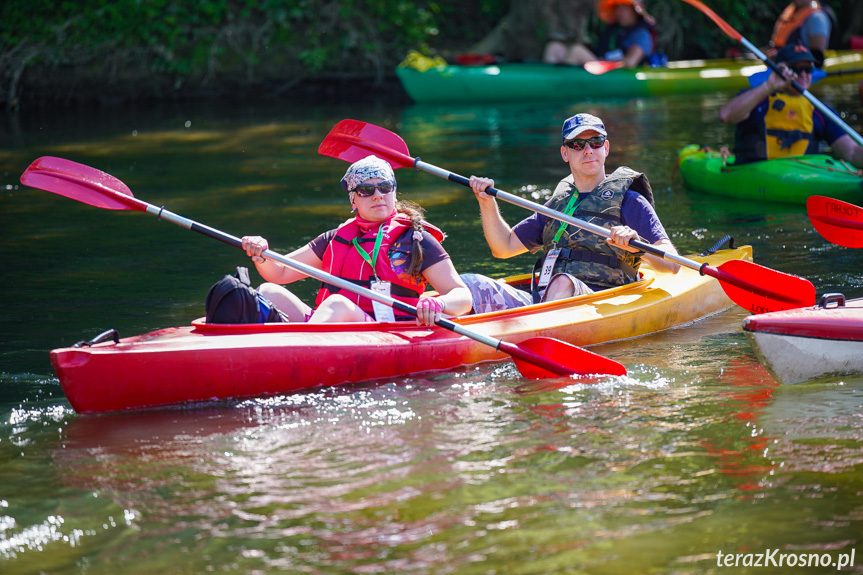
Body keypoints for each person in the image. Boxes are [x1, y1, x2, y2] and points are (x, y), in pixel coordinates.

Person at [461, 113, 680, 313]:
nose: (588, 150)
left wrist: (636, 244)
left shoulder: (630, 201)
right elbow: (503, 247)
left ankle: (537, 333)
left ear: (606, 148)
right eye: (577, 144)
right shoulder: (557, 205)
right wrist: (486, 202)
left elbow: (672, 265)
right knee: (469, 284)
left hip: (601, 301)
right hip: (548, 300)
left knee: (562, 281)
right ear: (565, 153)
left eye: (595, 143)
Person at [241, 155, 473, 326]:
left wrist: (439, 304)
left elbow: (462, 296)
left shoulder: (415, 239)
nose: (378, 195)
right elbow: (279, 273)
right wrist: (261, 254)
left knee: (337, 303)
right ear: (353, 200)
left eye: (385, 187)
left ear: (393, 192)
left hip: (389, 329)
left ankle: (295, 351)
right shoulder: (335, 238)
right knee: (268, 292)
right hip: (332, 325)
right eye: (366, 190)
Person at [718, 44, 863, 169]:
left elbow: (851, 151)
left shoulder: (819, 111)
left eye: (809, 69)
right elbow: (726, 115)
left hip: (803, 176)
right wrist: (769, 86)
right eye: (798, 69)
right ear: (781, 70)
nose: (804, 75)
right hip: (754, 172)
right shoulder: (758, 98)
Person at [545, 0, 658, 69]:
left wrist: (605, 63)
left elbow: (630, 62)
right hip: (600, 65)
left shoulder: (642, 34)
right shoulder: (614, 31)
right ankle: (547, 81)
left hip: (615, 73)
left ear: (635, 11)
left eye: (625, 8)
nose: (620, 12)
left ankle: (562, 85)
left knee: (577, 51)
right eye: (618, 8)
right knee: (554, 47)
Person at [768, 0, 834, 67]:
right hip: (781, 66)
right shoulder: (790, 12)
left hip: (799, 71)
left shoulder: (817, 17)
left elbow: (817, 58)